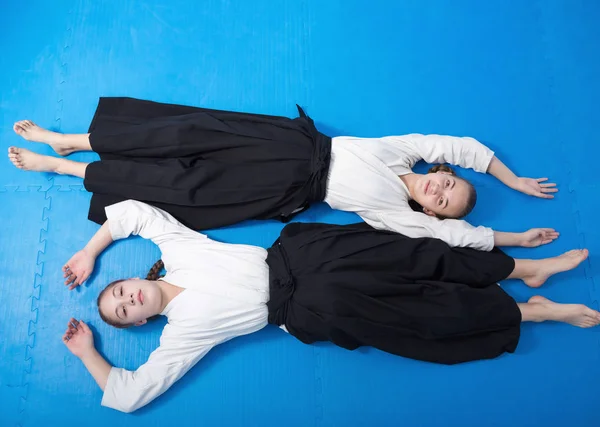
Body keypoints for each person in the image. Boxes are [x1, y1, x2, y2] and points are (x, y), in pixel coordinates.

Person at [61, 200, 596, 413]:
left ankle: (529, 271)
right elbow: (129, 394)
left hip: (304, 252)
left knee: (419, 255)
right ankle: (538, 311)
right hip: (308, 308)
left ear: (133, 279)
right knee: (428, 317)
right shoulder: (182, 335)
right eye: (125, 312)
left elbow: (132, 213)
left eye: (119, 292)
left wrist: (90, 251)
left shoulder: (176, 250)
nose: (127, 299)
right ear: (144, 320)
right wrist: (89, 352)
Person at [10, 97, 557, 250]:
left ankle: (58, 168)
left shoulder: (393, 213)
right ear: (442, 173)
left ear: (428, 210)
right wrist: (509, 179)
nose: (440, 191)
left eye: (442, 201)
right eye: (451, 183)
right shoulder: (403, 152)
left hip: (285, 187)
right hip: (282, 142)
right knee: (182, 133)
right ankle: (74, 140)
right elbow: (458, 144)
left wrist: (513, 238)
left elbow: (452, 237)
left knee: (179, 185)